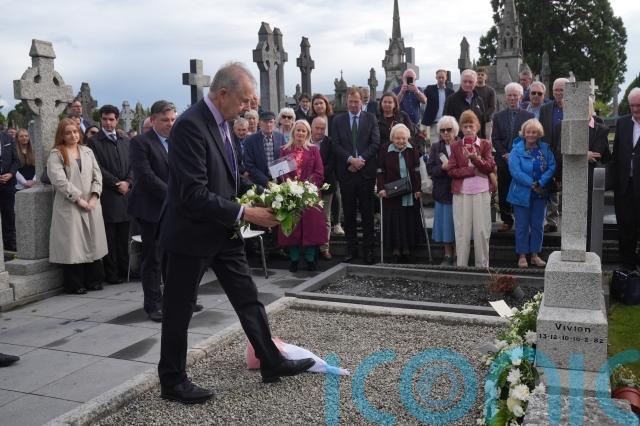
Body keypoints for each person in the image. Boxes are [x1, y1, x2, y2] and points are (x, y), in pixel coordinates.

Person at [157, 62, 314, 404]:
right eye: (243, 100)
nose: (246, 108)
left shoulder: (225, 123)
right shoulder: (189, 126)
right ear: (223, 93)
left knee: (248, 297)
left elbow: (228, 179)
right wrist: (247, 213)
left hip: (223, 232)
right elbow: (193, 193)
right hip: (189, 235)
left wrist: (268, 195)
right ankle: (172, 380)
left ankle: (270, 360)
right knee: (179, 308)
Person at [128, 100, 175, 322]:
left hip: (174, 209)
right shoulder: (141, 142)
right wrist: (173, 196)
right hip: (151, 209)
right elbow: (146, 176)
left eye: (173, 119)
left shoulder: (177, 141)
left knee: (173, 257)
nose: (170, 124)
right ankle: (153, 305)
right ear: (153, 120)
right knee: (153, 259)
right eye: (165, 120)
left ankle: (175, 300)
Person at [47, 118, 107, 294]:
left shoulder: (87, 151)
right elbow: (59, 180)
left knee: (93, 242)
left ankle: (94, 280)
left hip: (91, 203)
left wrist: (94, 196)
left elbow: (97, 175)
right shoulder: (57, 154)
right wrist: (78, 199)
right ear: (61, 135)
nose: (73, 135)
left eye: (75, 132)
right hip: (70, 204)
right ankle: (75, 284)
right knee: (73, 245)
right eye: (68, 133)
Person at [551, 98, 610, 251]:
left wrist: (574, 154)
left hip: (590, 178)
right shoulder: (562, 127)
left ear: (589, 107)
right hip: (570, 177)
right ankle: (570, 249)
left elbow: (597, 154)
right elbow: (559, 152)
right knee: (571, 216)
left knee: (588, 216)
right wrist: (584, 155)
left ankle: (587, 250)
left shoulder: (601, 129)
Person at [331, 85, 380, 264]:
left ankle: (369, 250)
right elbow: (335, 144)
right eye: (350, 101)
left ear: (361, 101)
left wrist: (361, 160)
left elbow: (375, 143)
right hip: (347, 173)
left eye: (356, 101)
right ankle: (351, 249)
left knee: (367, 213)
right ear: (346, 102)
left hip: (366, 173)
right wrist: (350, 160)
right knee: (349, 214)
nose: (353, 104)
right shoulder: (338, 120)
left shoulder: (370, 118)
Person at [87, 105, 133, 285]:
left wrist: (128, 182)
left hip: (126, 194)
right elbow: (97, 168)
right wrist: (116, 184)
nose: (108, 123)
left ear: (117, 120)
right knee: (110, 237)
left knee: (124, 237)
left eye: (111, 119)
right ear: (100, 120)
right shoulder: (94, 142)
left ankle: (125, 269)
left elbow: (133, 164)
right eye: (105, 119)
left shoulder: (125, 140)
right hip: (109, 195)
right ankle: (111, 274)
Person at [277, 120, 327, 271]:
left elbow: (319, 171)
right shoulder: (284, 150)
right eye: (298, 130)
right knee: (293, 227)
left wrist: (306, 186)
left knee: (311, 227)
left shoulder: (314, 150)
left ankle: (310, 259)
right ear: (293, 132)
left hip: (309, 194)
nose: (300, 133)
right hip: (290, 194)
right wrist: (291, 186)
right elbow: (282, 173)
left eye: (303, 131)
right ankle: (294, 260)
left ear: (307, 133)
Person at [447, 110, 495, 267]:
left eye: (471, 126)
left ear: (477, 127)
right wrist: (471, 171)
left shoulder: (485, 144)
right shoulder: (455, 146)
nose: (468, 129)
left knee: (482, 231)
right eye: (465, 126)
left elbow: (489, 167)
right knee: (462, 232)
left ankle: (483, 268)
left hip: (482, 192)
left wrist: (475, 159)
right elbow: (451, 170)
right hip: (461, 193)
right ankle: (461, 266)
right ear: (461, 128)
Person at [507, 119, 556, 268]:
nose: (531, 134)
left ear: (539, 134)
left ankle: (535, 255)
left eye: (534, 132)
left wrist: (541, 182)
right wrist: (531, 183)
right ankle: (522, 256)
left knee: (538, 226)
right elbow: (515, 171)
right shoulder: (516, 150)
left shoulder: (545, 149)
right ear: (523, 133)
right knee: (522, 226)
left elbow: (552, 165)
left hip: (540, 193)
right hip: (521, 194)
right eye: (528, 132)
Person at [491, 82, 535, 232]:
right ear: (505, 97)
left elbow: (530, 138)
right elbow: (495, 138)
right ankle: (506, 219)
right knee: (504, 189)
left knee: (521, 189)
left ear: (521, 96)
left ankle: (521, 219)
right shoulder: (498, 116)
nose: (512, 98)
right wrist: (505, 154)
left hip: (522, 159)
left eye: (515, 95)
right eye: (509, 95)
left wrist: (515, 155)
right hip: (504, 160)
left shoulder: (529, 116)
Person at [377, 124, 422, 262]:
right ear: (392, 138)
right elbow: (380, 170)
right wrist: (381, 188)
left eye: (403, 138)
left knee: (408, 218)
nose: (401, 141)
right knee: (395, 219)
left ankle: (408, 249)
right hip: (392, 190)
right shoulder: (385, 148)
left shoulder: (412, 148)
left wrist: (418, 189)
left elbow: (416, 170)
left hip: (409, 190)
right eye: (397, 138)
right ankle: (396, 249)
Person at [608, 88, 640, 270]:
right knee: (625, 227)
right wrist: (614, 182)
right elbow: (616, 155)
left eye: (639, 105)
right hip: (625, 186)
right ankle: (627, 266)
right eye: (632, 105)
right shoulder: (622, 123)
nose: (635, 109)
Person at [426, 116, 458, 265]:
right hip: (442, 192)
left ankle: (458, 254)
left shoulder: (461, 145)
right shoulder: (435, 147)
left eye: (449, 130)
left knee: (458, 224)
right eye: (442, 130)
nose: (446, 133)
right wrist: (442, 168)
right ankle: (447, 254)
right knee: (445, 225)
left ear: (455, 131)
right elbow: (430, 169)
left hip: (459, 191)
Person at [539, 77, 569, 233]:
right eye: (555, 90)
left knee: (568, 186)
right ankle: (551, 220)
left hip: (569, 151)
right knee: (552, 187)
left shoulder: (573, 107)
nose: (558, 92)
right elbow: (541, 131)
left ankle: (570, 220)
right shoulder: (545, 108)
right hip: (550, 153)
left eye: (561, 90)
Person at [310, 116, 336, 260]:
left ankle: (324, 248)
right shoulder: (305, 141)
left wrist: (317, 177)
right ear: (311, 127)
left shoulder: (330, 142)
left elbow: (331, 164)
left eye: (322, 128)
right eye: (317, 128)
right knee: (310, 217)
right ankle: (311, 246)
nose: (319, 131)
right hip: (307, 187)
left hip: (326, 185)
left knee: (325, 218)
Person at [244, 111, 286, 187]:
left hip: (278, 182)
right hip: (258, 183)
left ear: (274, 123)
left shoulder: (280, 137)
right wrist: (265, 181)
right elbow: (249, 165)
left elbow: (284, 158)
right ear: (259, 123)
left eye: (271, 122)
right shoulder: (250, 140)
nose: (268, 125)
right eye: (265, 122)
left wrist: (279, 178)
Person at [444, 69, 487, 138]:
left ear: (475, 83)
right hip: (458, 142)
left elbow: (482, 124)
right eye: (465, 81)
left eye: (470, 82)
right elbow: (446, 124)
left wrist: (483, 140)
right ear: (461, 82)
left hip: (477, 141)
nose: (467, 84)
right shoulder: (451, 100)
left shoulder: (479, 100)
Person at [422, 69, 454, 143]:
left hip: (446, 123)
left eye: (442, 77)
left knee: (447, 144)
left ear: (446, 78)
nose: (441, 79)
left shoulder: (450, 92)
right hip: (434, 123)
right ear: (436, 77)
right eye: (439, 77)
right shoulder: (430, 89)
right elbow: (423, 98)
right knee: (435, 144)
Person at [0, 130, 19, 251]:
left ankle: (10, 245)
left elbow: (16, 160)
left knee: (9, 215)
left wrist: (11, 173)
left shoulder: (8, 138)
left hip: (8, 183)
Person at [475, 66, 496, 140]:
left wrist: (484, 116)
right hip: (474, 120)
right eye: (478, 74)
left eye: (482, 74)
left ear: (486, 77)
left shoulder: (490, 91)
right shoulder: (472, 90)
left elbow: (492, 107)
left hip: (487, 121)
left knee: (487, 141)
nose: (480, 76)